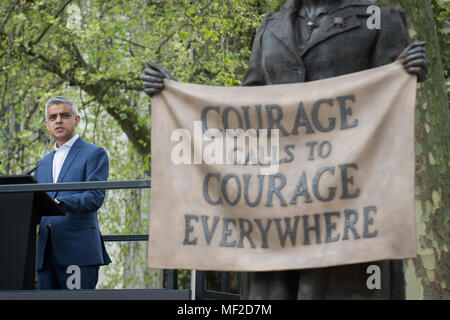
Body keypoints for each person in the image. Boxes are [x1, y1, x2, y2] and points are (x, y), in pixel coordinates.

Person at [142, 0, 427, 299]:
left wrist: (406, 71)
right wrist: (180, 97)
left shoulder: (376, 18)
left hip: (348, 199)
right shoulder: (271, 26)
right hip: (277, 200)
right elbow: (245, 111)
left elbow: (388, 98)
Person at [34, 96, 111, 290]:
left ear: (76, 120)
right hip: (45, 255)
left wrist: (60, 203)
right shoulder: (41, 164)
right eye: (52, 117)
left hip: (78, 251)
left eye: (64, 115)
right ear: (46, 124)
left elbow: (94, 197)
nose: (58, 120)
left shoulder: (94, 153)